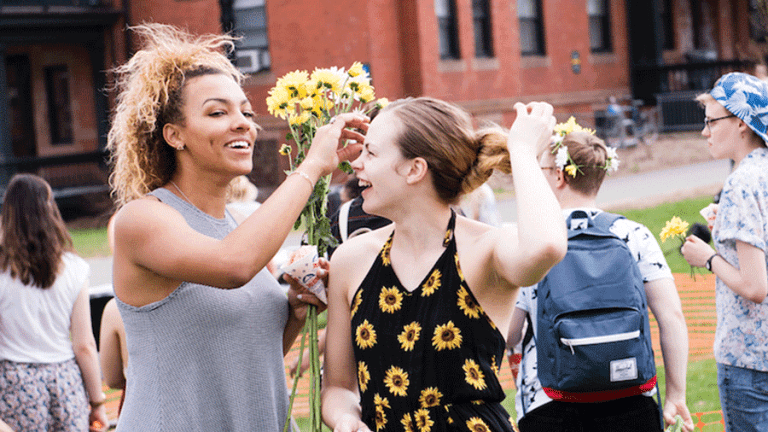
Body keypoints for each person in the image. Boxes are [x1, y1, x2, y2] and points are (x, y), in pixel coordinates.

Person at [106, 23, 366, 431]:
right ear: (174, 135)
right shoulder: (142, 219)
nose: (243, 123)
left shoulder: (240, 224)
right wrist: (313, 165)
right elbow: (233, 266)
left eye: (246, 112)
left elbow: (245, 357)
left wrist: (295, 312)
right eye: (217, 112)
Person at [321, 97, 568, 432]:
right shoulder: (351, 259)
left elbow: (547, 246)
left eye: (371, 153)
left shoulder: (486, 249)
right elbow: (338, 387)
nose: (356, 165)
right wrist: (346, 419)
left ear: (415, 169)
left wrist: (522, 151)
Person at [506, 128, 694, 431]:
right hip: (630, 395)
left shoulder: (532, 240)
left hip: (549, 401)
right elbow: (672, 316)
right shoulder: (634, 235)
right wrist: (676, 395)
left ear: (559, 175)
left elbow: (510, 332)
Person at [681, 72, 768, 432]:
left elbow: (755, 287)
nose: (705, 132)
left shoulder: (741, 183)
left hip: (749, 361)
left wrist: (708, 258)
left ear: (741, 123)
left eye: (712, 122)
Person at [0, 173, 108, 432]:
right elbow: (84, 345)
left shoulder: (2, 270)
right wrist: (97, 402)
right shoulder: (74, 268)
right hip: (65, 381)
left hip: (15, 381)